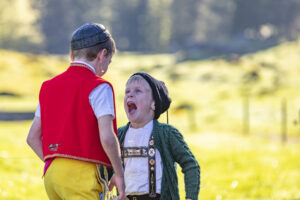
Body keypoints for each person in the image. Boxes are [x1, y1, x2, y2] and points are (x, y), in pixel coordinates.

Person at [27, 23, 125, 200]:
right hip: (82, 176)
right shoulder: (100, 87)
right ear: (103, 55)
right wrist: (119, 173)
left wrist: (57, 166)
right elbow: (108, 137)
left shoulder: (48, 87)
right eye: (109, 62)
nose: (106, 69)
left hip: (51, 174)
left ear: (72, 55)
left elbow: (32, 137)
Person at [109, 72, 200, 200]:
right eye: (127, 91)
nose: (130, 94)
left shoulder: (167, 134)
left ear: (154, 104)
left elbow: (190, 164)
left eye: (138, 91)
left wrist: (190, 197)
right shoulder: (119, 135)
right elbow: (104, 169)